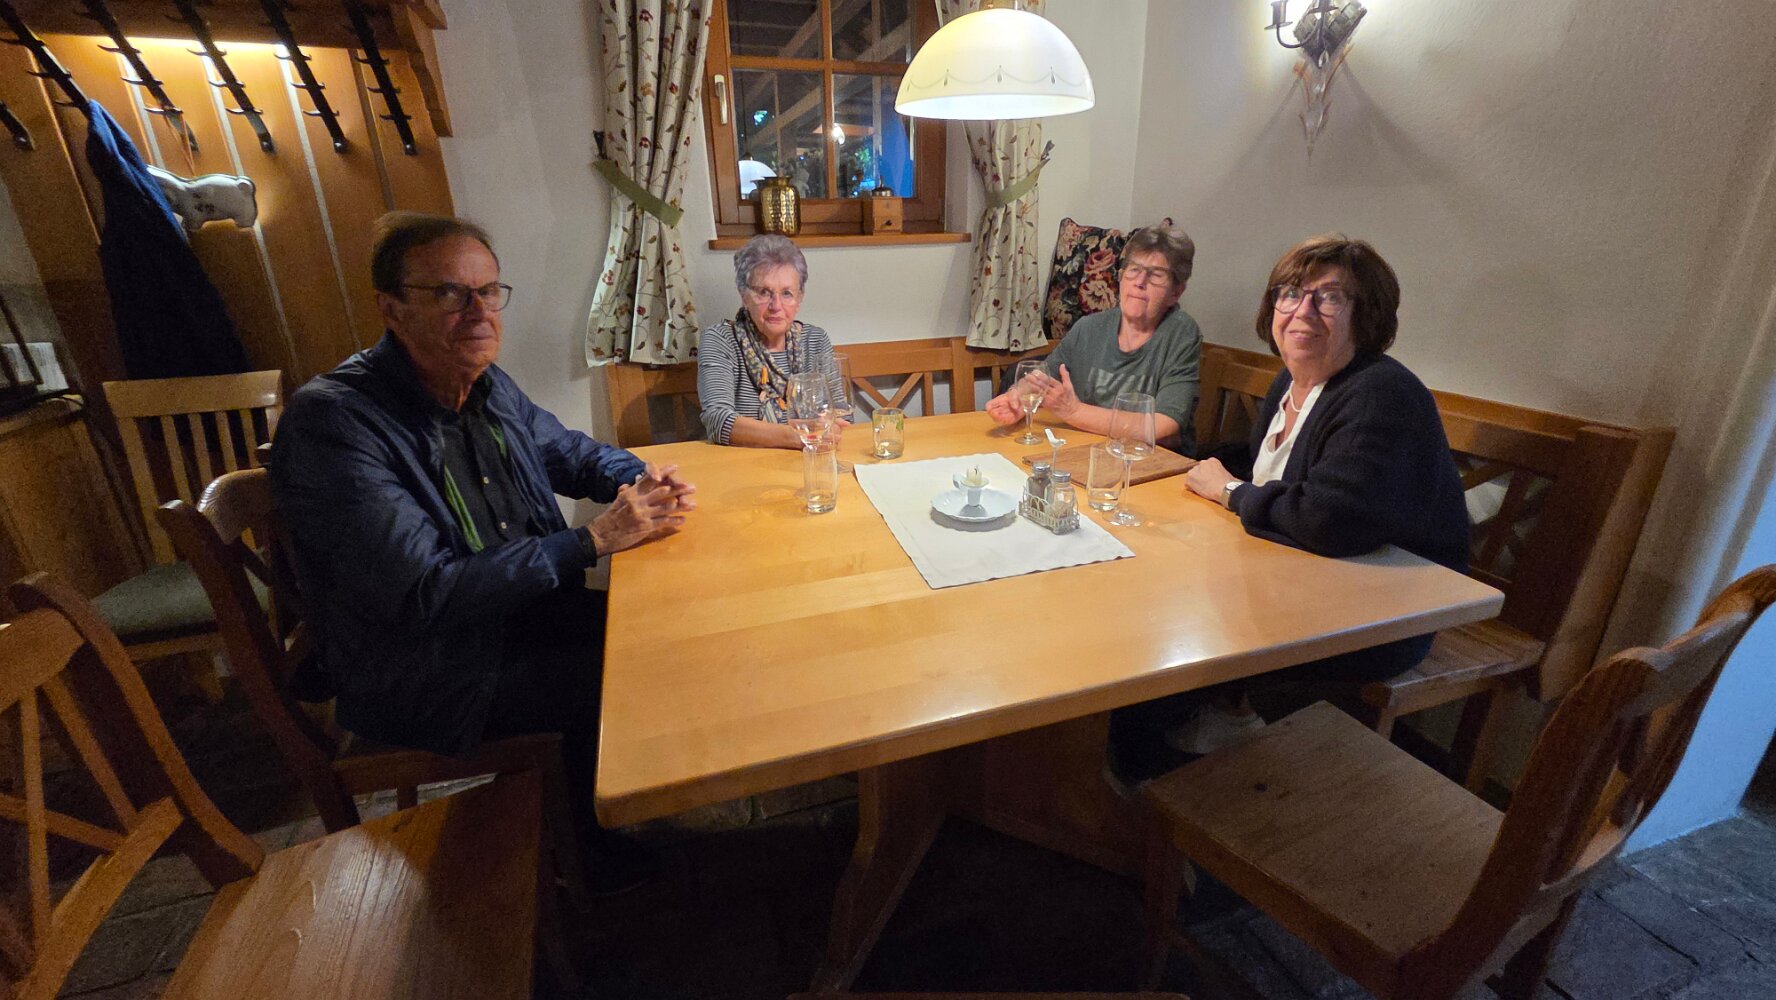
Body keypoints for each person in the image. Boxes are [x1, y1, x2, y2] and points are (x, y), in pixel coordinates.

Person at [271, 211, 694, 888]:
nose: (478, 311)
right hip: (429, 670)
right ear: (392, 308)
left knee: (662, 633)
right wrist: (591, 540)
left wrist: (640, 476)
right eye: (449, 292)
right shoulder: (337, 422)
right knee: (629, 674)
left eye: (489, 291)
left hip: (513, 619)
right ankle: (582, 856)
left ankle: (587, 822)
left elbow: (572, 453)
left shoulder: (487, 385)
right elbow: (425, 594)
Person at [1111, 234, 1469, 781]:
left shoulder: (1380, 394)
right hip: (1301, 581)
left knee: (1170, 632)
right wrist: (1194, 470)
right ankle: (1145, 769)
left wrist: (1229, 492)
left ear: (1367, 314)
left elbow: (1328, 518)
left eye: (1330, 297)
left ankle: (1184, 784)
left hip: (1378, 617)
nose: (1303, 311)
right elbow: (1266, 469)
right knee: (1153, 602)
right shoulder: (1295, 378)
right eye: (1290, 293)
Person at [986, 224, 1202, 452]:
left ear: (1176, 292)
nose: (1139, 282)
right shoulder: (1088, 328)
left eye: (1156, 275)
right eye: (1133, 270)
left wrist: (1074, 411)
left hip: (1154, 462)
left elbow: (1164, 425)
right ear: (1121, 277)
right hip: (1092, 453)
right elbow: (1043, 376)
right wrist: (1017, 398)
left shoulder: (1182, 333)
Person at [698, 234, 845, 448]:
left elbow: (840, 412)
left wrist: (829, 427)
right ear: (743, 295)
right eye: (764, 292)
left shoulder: (815, 340)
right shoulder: (720, 340)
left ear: (799, 298)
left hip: (807, 460)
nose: (776, 305)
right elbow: (717, 421)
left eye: (787, 293)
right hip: (744, 463)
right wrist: (799, 437)